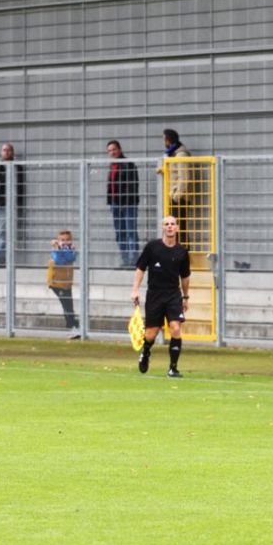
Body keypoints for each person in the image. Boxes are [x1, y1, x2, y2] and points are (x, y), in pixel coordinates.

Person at [131, 216, 191, 378]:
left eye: (172, 224)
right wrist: (135, 290)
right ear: (162, 228)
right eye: (167, 224)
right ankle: (146, 352)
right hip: (155, 295)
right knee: (151, 334)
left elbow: (185, 277)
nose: (170, 227)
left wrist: (185, 297)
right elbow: (140, 268)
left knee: (175, 328)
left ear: (177, 228)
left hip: (173, 295)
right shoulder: (152, 247)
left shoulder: (182, 252)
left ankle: (173, 368)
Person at [0, 142, 26, 267]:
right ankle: (0, 257)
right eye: (4, 150)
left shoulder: (16, 168)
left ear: (12, 152)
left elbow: (17, 187)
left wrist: (16, 202)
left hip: (7, 204)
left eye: (8, 150)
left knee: (2, 232)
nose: (6, 152)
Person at [156, 129, 194, 247]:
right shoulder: (171, 153)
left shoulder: (181, 154)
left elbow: (184, 177)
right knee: (175, 228)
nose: (164, 142)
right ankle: (177, 252)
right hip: (173, 196)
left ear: (168, 139)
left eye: (164, 139)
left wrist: (176, 196)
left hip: (179, 198)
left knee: (179, 227)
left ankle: (183, 252)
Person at [106, 140, 141, 268]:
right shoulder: (112, 165)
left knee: (130, 232)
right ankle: (125, 260)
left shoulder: (128, 164)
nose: (112, 152)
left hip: (128, 204)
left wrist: (126, 202)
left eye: (114, 149)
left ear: (119, 149)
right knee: (120, 233)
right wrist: (111, 201)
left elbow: (133, 185)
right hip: (115, 204)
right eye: (109, 151)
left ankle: (134, 261)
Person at [47, 229, 80, 339]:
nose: (65, 242)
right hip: (57, 283)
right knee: (67, 305)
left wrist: (69, 251)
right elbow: (59, 261)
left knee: (69, 305)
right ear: (58, 240)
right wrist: (59, 249)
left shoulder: (70, 250)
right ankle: (73, 327)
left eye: (68, 240)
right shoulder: (56, 250)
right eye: (62, 240)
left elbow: (71, 258)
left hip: (66, 283)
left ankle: (74, 326)